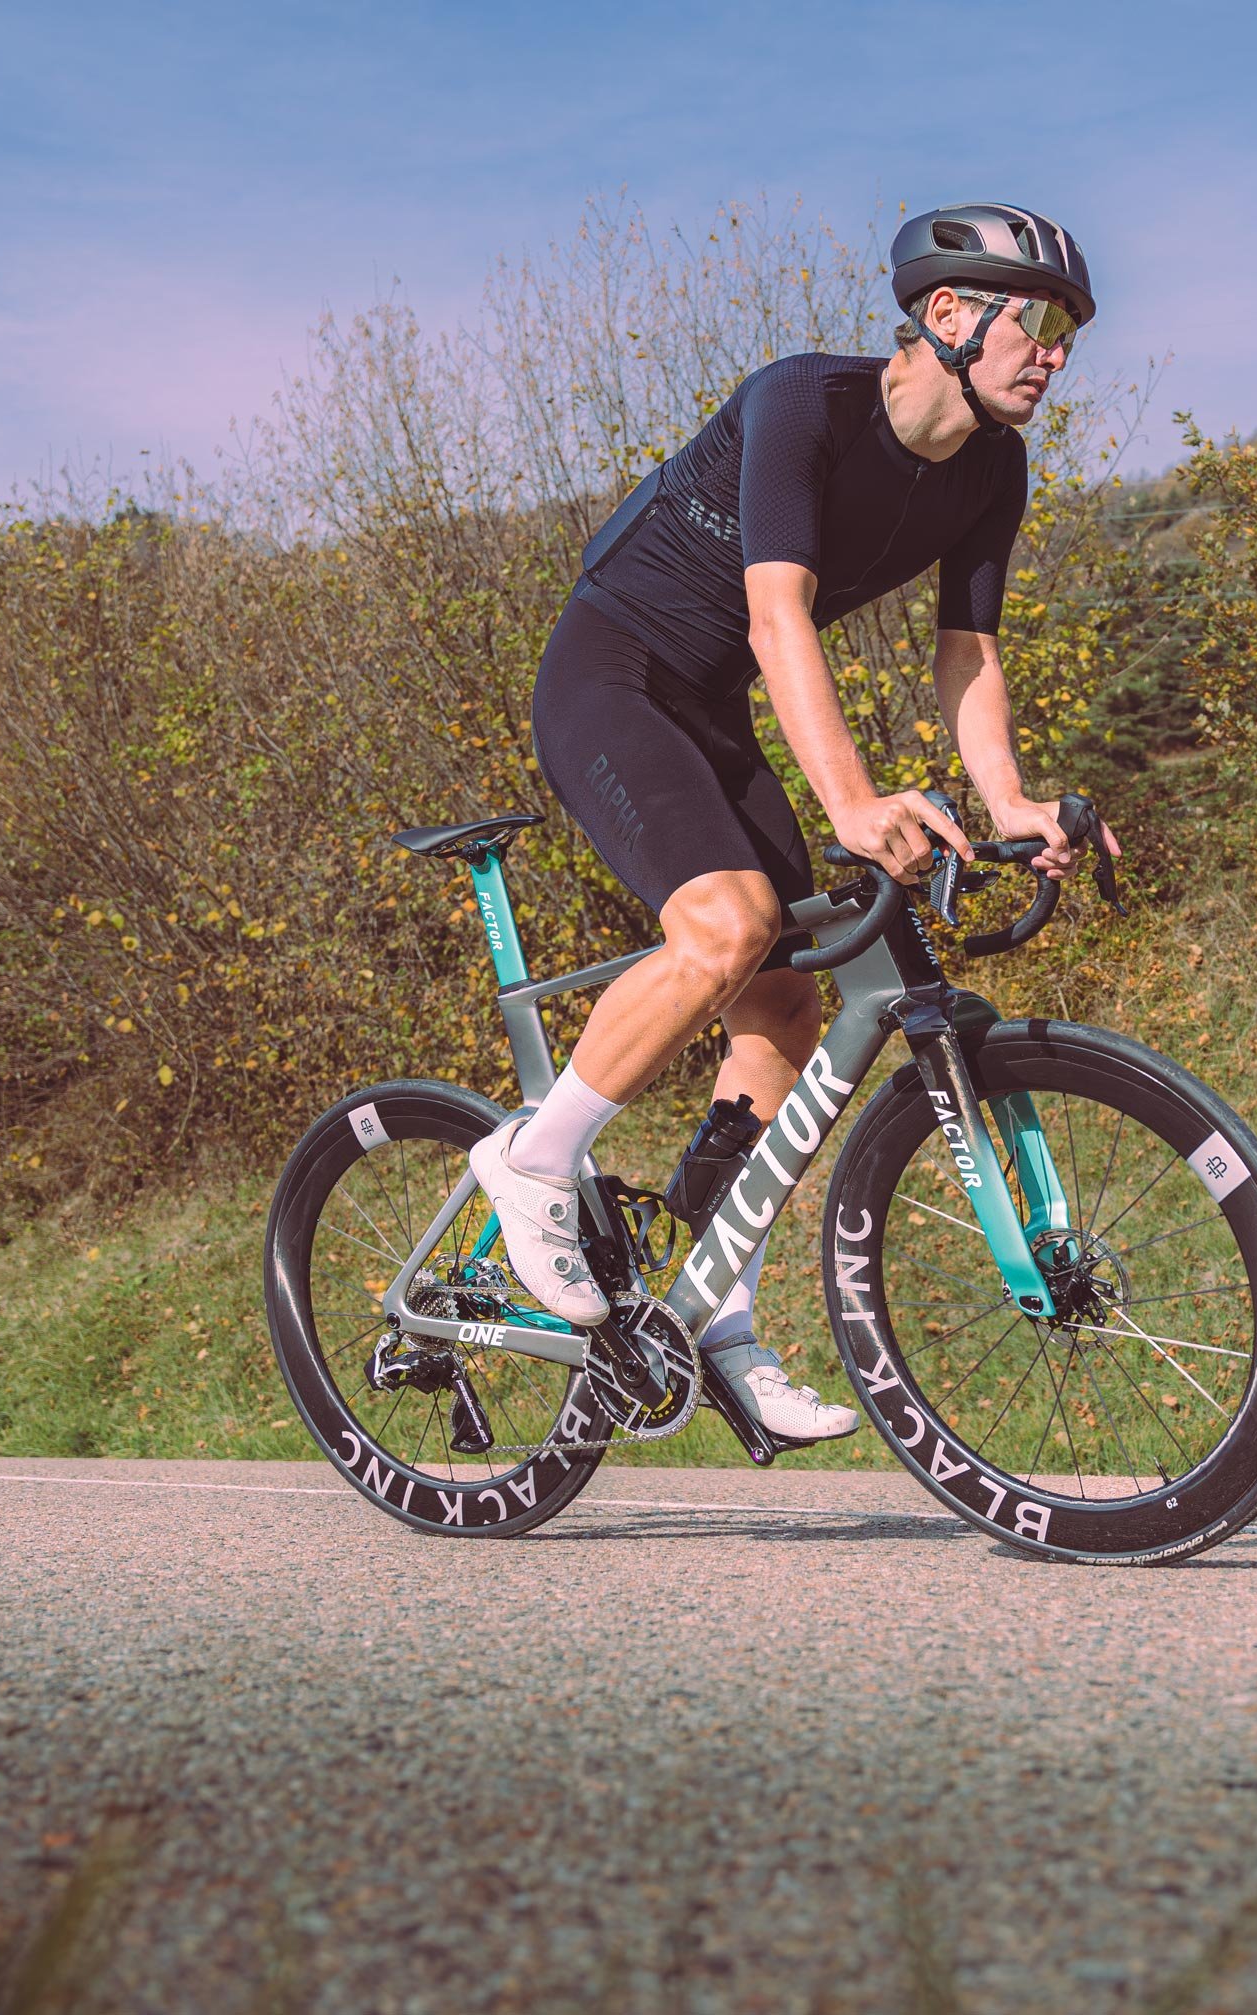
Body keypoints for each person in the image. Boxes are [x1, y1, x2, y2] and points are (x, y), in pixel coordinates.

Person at [471, 202, 1119, 1439]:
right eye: (1035, 324)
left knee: (784, 1003)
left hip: (705, 705)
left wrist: (1009, 800)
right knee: (728, 925)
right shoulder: (803, 406)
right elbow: (781, 620)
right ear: (948, 314)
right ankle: (532, 1160)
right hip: (610, 673)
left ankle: (716, 1313)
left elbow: (967, 651)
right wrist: (855, 801)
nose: (1053, 354)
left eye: (1068, 337)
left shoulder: (994, 469)